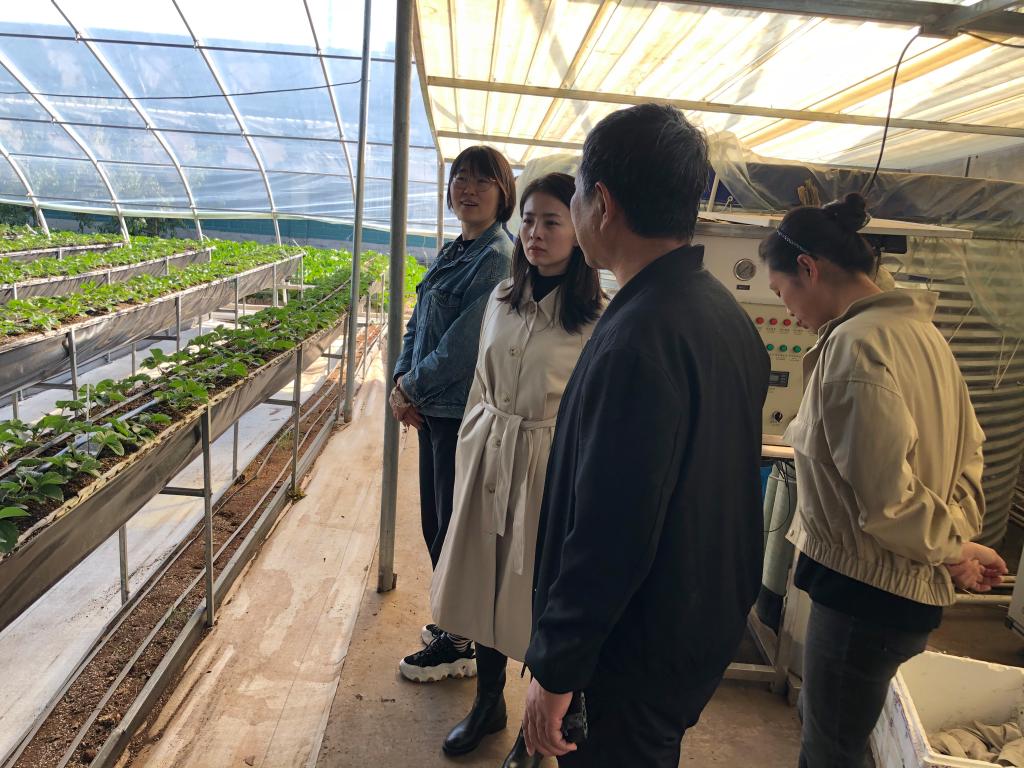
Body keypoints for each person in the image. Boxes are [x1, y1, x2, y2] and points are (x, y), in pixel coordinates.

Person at [522, 104, 771, 766]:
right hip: (687, 633)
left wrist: (557, 669)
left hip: (628, 656)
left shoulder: (639, 338)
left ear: (602, 204)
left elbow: (612, 530)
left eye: (576, 194)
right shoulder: (722, 316)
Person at [759, 192, 1006, 768]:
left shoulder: (855, 347)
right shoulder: (923, 334)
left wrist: (951, 549)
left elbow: (887, 499)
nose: (787, 311)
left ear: (808, 269)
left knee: (830, 751)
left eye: (781, 292)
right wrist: (954, 544)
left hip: (863, 596)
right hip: (899, 591)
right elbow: (970, 454)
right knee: (848, 735)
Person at [430, 173, 604, 764]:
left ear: (579, 231)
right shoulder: (503, 298)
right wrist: (472, 447)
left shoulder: (594, 318)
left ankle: (540, 730)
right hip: (491, 450)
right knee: (485, 578)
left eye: (552, 221)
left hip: (548, 462)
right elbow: (482, 382)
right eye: (528, 220)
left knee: (537, 591)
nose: (535, 233)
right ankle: (488, 703)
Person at [391, 145, 515, 682]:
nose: (468, 189)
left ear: (503, 194)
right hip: (432, 407)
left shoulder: (497, 258)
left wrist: (411, 387)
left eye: (482, 181)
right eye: (460, 178)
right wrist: (401, 380)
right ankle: (453, 626)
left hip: (458, 413)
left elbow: (463, 348)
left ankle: (459, 642)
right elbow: (418, 321)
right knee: (435, 521)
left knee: (451, 529)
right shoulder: (455, 249)